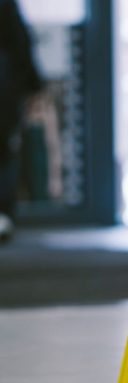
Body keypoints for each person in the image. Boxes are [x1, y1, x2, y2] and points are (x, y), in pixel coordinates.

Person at [0, 0, 42, 242]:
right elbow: (20, 44)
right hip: (4, 86)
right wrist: (34, 85)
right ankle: (3, 215)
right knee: (4, 152)